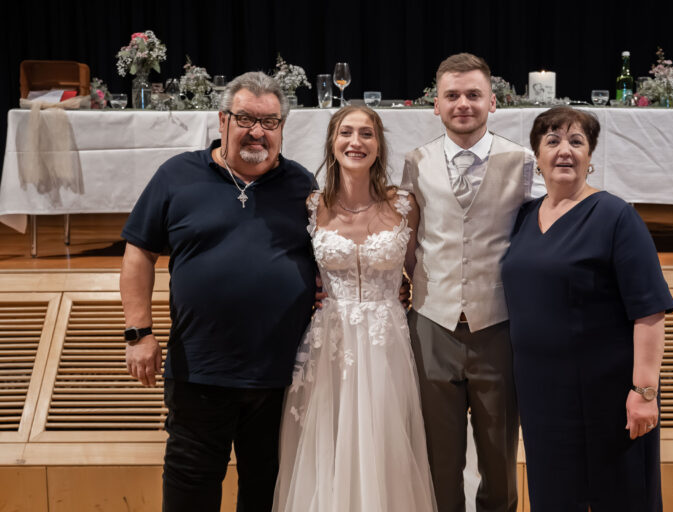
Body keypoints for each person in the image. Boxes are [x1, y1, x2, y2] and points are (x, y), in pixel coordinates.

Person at [120, 72, 317, 512]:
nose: (258, 131)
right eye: (246, 119)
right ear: (223, 120)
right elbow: (138, 253)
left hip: (280, 376)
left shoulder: (302, 185)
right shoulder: (177, 175)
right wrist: (139, 332)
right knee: (190, 490)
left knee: (267, 492)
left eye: (269, 122)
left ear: (282, 127)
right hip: (200, 371)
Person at [501, 106, 673, 511]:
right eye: (553, 141)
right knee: (554, 498)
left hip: (608, 398)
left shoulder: (616, 216)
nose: (565, 150)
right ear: (537, 157)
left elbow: (649, 310)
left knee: (620, 497)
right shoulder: (525, 216)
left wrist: (644, 392)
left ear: (590, 156)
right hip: (543, 398)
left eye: (576, 141)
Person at [272, 105, 437, 511]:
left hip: (387, 341)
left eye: (366, 133)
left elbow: (419, 270)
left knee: (385, 442)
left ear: (379, 146)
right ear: (332, 142)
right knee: (328, 445)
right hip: (331, 341)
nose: (356, 142)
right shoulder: (312, 205)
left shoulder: (404, 205)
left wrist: (403, 288)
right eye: (346, 132)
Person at [401, 52, 537, 512]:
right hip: (432, 323)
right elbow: (410, 237)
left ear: (492, 102)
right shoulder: (415, 162)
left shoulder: (522, 161)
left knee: (499, 456)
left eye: (474, 95)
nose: (463, 104)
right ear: (436, 105)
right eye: (453, 95)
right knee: (439, 458)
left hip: (498, 324)